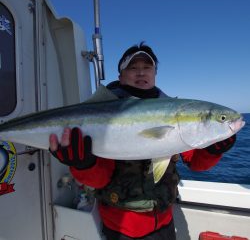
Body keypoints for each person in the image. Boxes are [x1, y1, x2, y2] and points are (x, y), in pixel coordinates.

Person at [49, 42, 236, 240]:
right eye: (133, 68)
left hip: (164, 222)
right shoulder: (107, 110)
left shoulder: (174, 112)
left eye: (147, 67)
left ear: (154, 74)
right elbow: (99, 179)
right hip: (121, 228)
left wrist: (213, 151)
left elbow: (196, 163)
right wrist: (83, 164)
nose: (141, 73)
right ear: (120, 76)